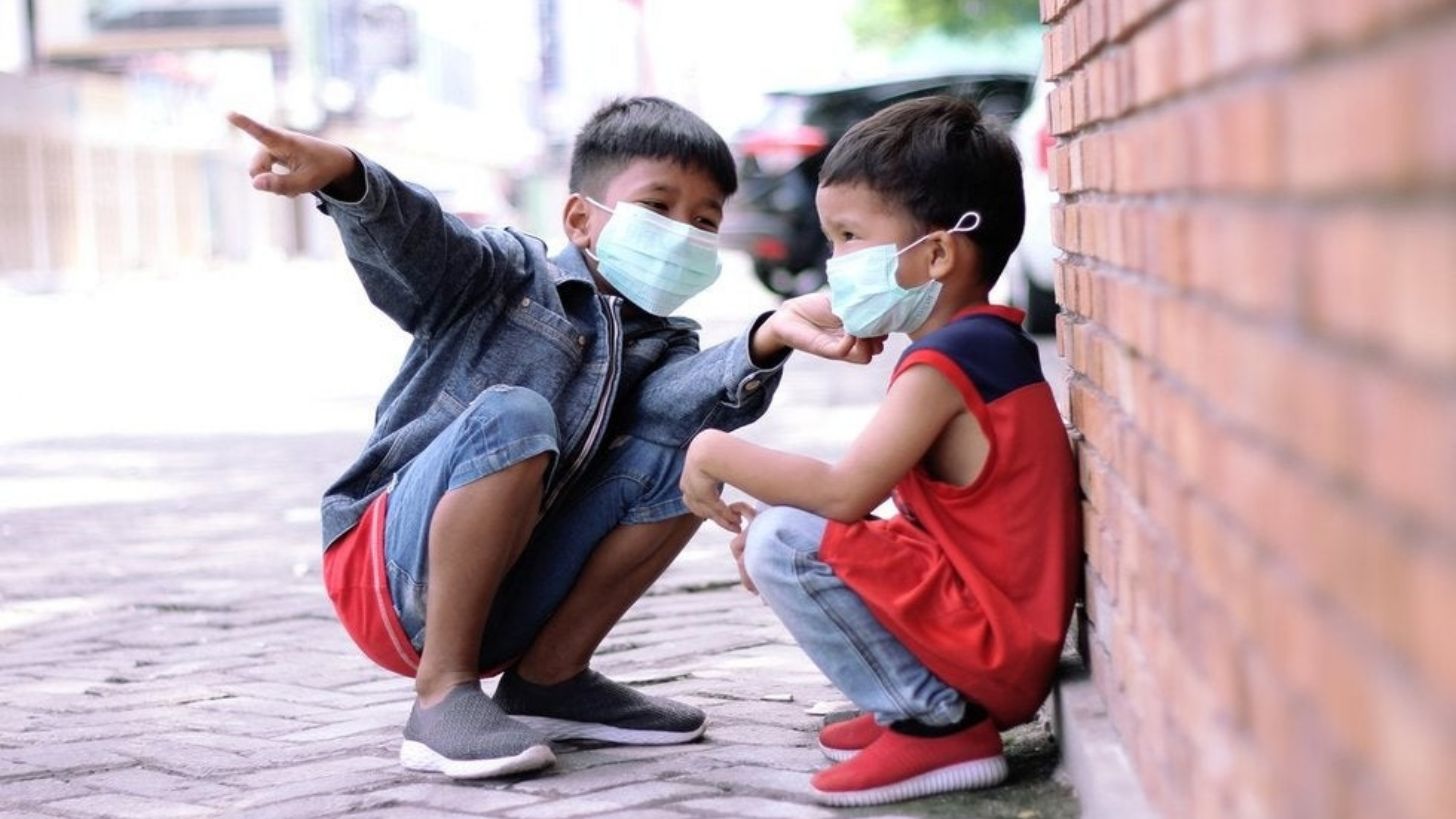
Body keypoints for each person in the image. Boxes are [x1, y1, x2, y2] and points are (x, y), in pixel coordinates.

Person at [227, 97, 882, 780]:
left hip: (511, 589)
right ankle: (442, 692)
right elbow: (420, 241)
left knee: (691, 451)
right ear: (579, 219)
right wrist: (347, 175)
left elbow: (682, 407)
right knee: (515, 415)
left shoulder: (664, 344)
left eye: (703, 221)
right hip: (388, 574)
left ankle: (550, 678)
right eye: (657, 206)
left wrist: (770, 333)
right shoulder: (501, 274)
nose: (680, 233)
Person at [680, 95, 1081, 807]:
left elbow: (844, 493)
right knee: (798, 528)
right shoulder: (982, 341)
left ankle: (934, 721)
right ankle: (914, 695)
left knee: (784, 539)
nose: (834, 264)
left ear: (936, 253)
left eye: (848, 237)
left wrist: (712, 448)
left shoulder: (946, 365)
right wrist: (811, 314)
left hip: (995, 650)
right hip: (998, 633)